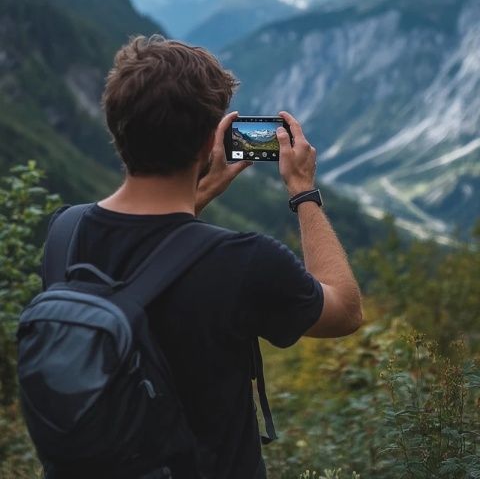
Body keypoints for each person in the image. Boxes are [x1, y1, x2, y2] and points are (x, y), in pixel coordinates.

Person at [44, 34, 363, 479]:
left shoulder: (64, 233)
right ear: (208, 144)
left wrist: (198, 193)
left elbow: (144, 253)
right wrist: (303, 191)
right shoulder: (244, 262)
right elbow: (345, 311)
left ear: (117, 125)